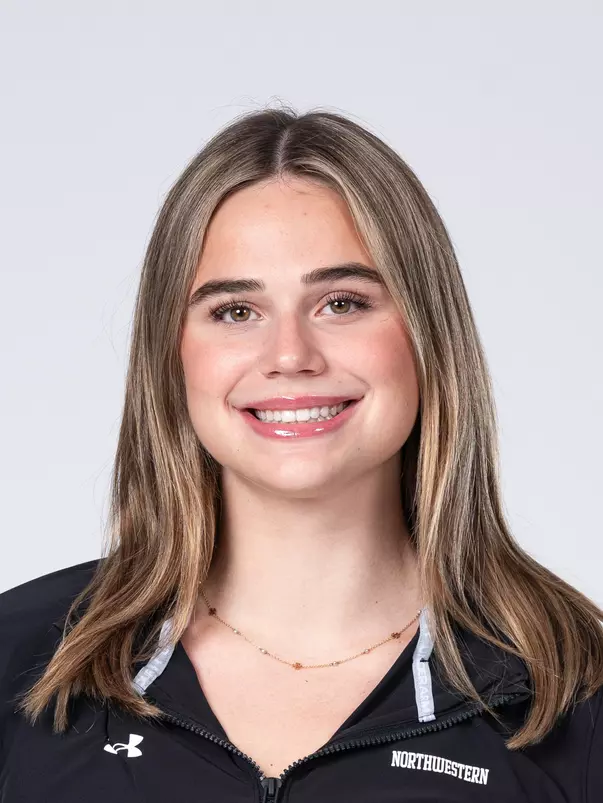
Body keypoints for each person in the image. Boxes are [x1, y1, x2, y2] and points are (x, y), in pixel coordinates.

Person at [1, 106, 602, 803]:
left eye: (341, 303)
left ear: (426, 334)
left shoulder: (573, 692)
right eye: (235, 311)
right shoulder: (22, 658)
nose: (289, 355)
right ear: (173, 354)